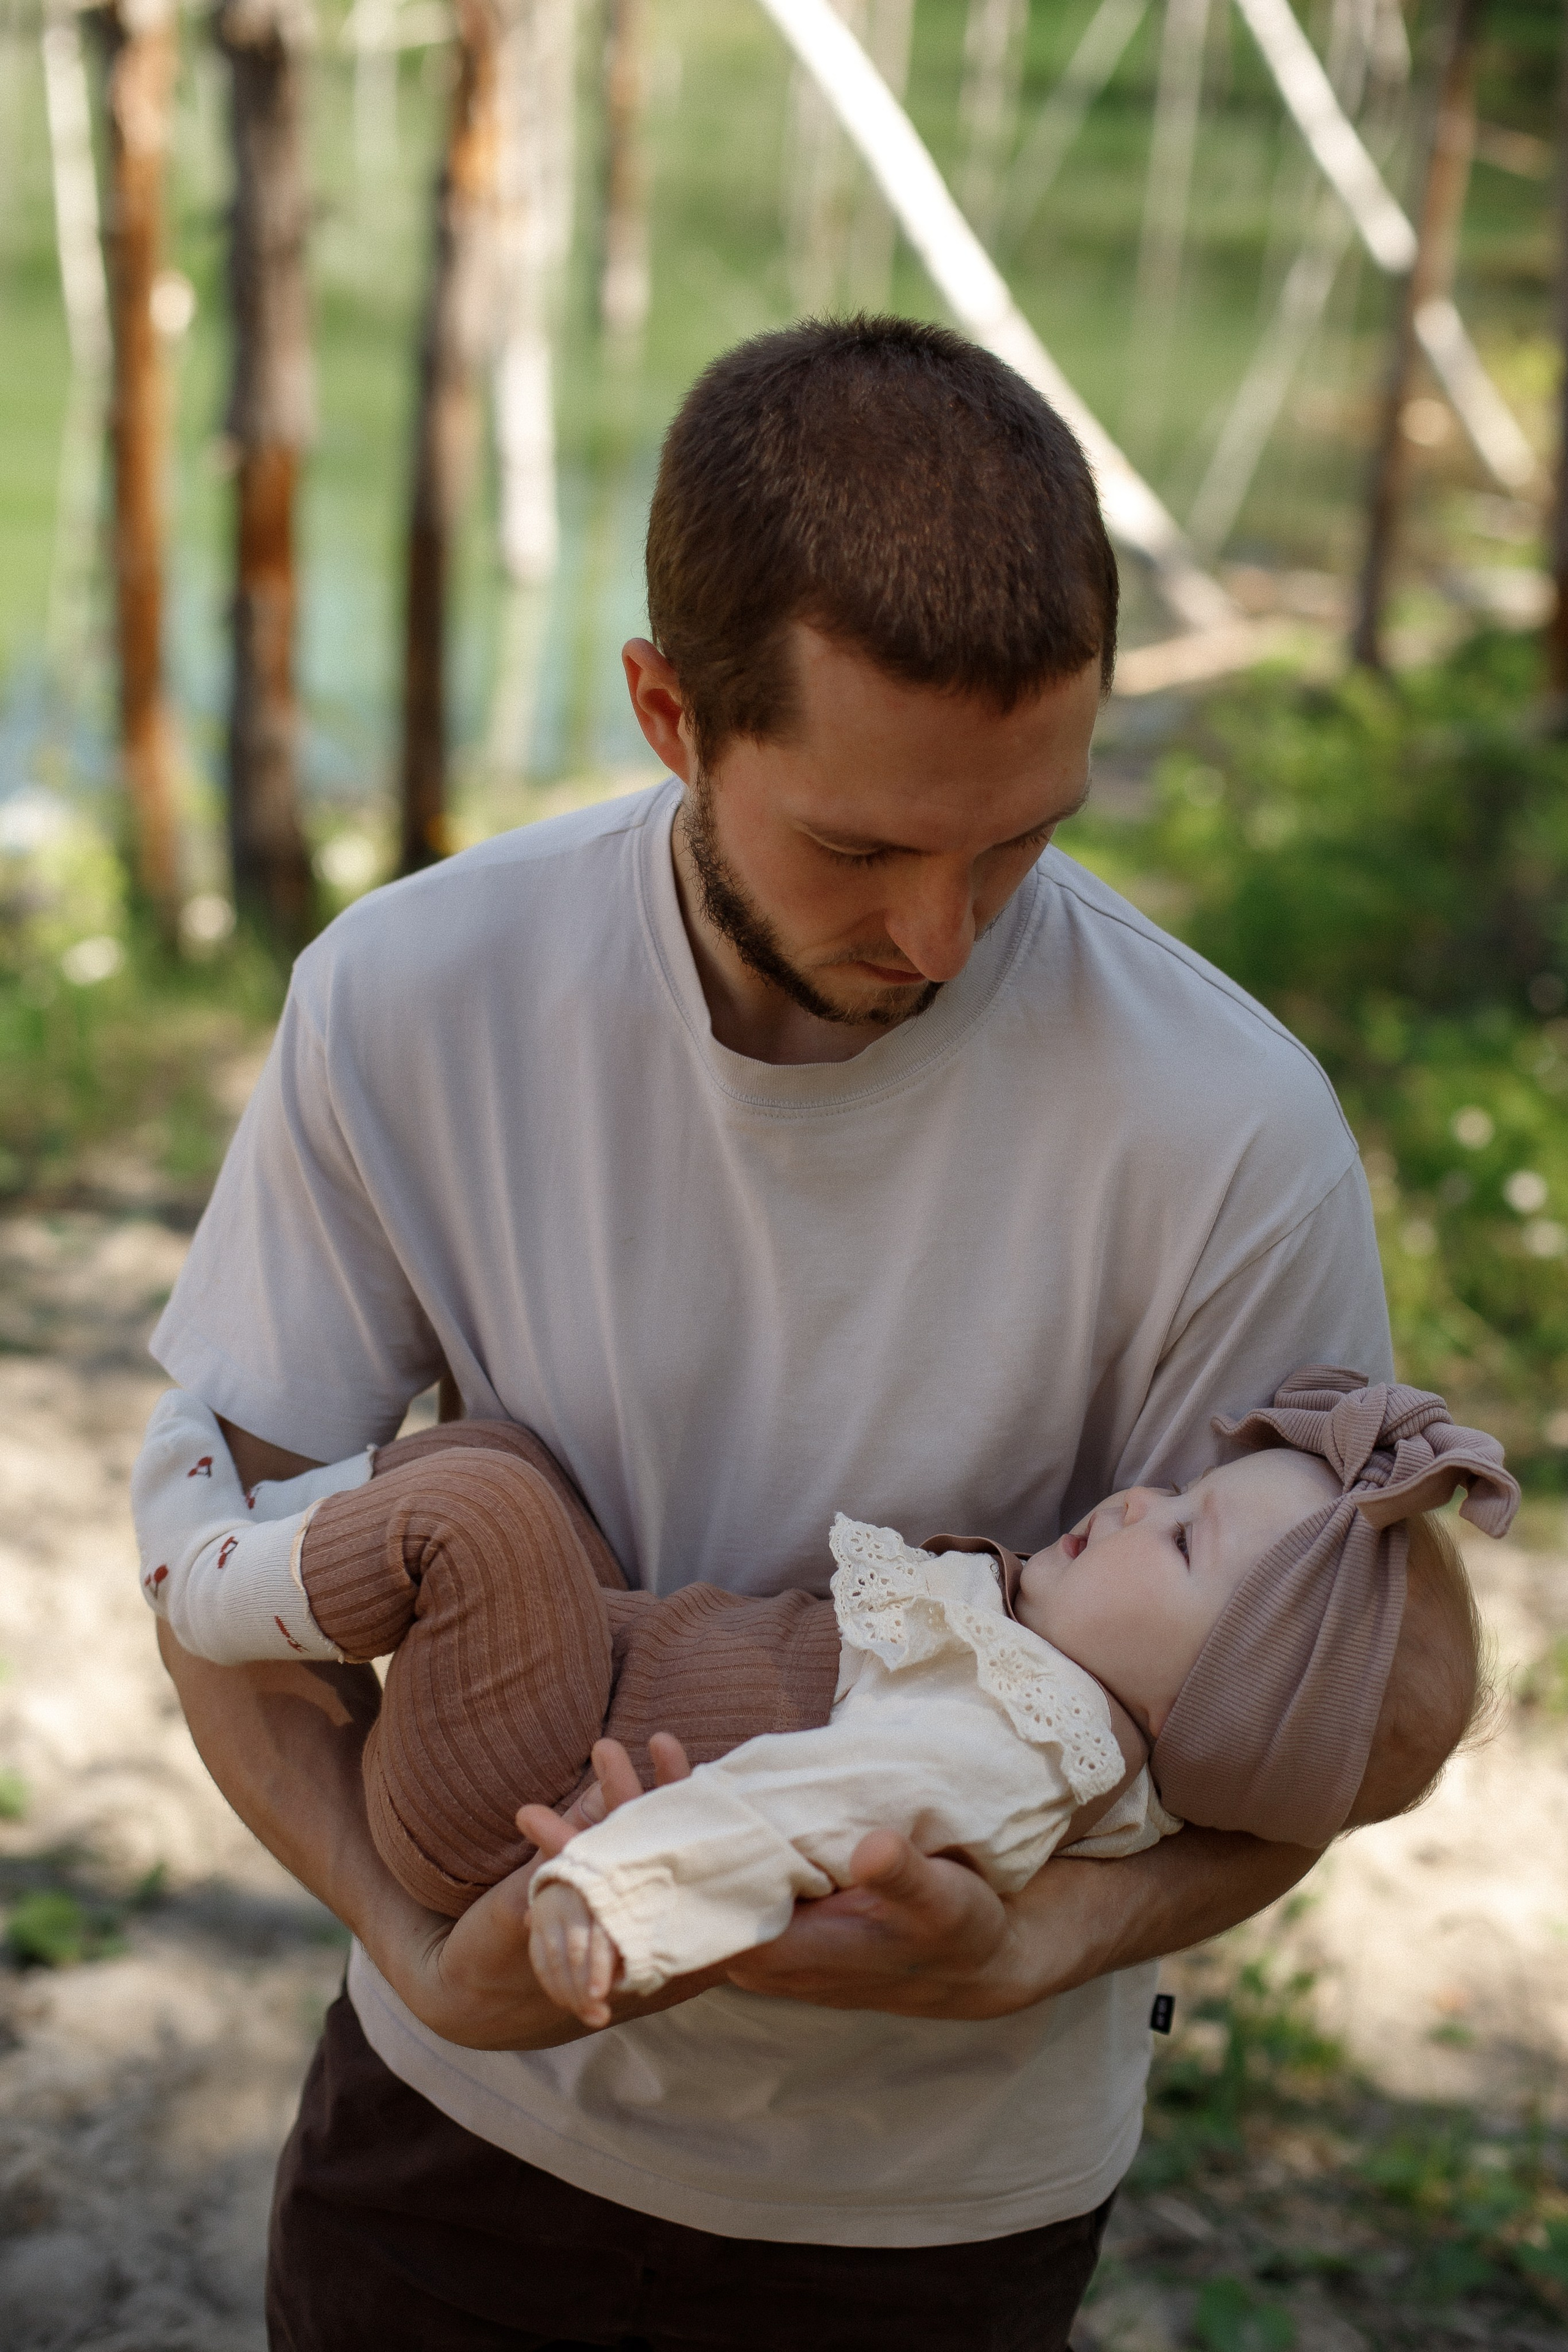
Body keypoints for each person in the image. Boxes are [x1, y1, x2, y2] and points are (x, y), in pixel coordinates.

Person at [146, 316, 1401, 2351]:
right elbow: (232, 1549)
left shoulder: (1227, 1134)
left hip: (935, 2222)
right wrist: (407, 1933)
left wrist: (1026, 1953)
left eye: (1020, 838)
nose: (945, 939)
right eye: (864, 847)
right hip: (455, 2136)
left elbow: (1316, 1734)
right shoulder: (412, 996)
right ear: (668, 710)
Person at [132, 1371, 1511, 2023]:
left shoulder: (1011, 1751)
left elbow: (799, 1812)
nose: (1145, 1497)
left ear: (1205, 1708)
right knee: (508, 1460)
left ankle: (201, 1578)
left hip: (523, 1804)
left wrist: (615, 1889)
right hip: (595, 1681)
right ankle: (288, 1533)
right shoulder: (1027, 1673)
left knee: (485, 1513)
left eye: (1187, 1540)